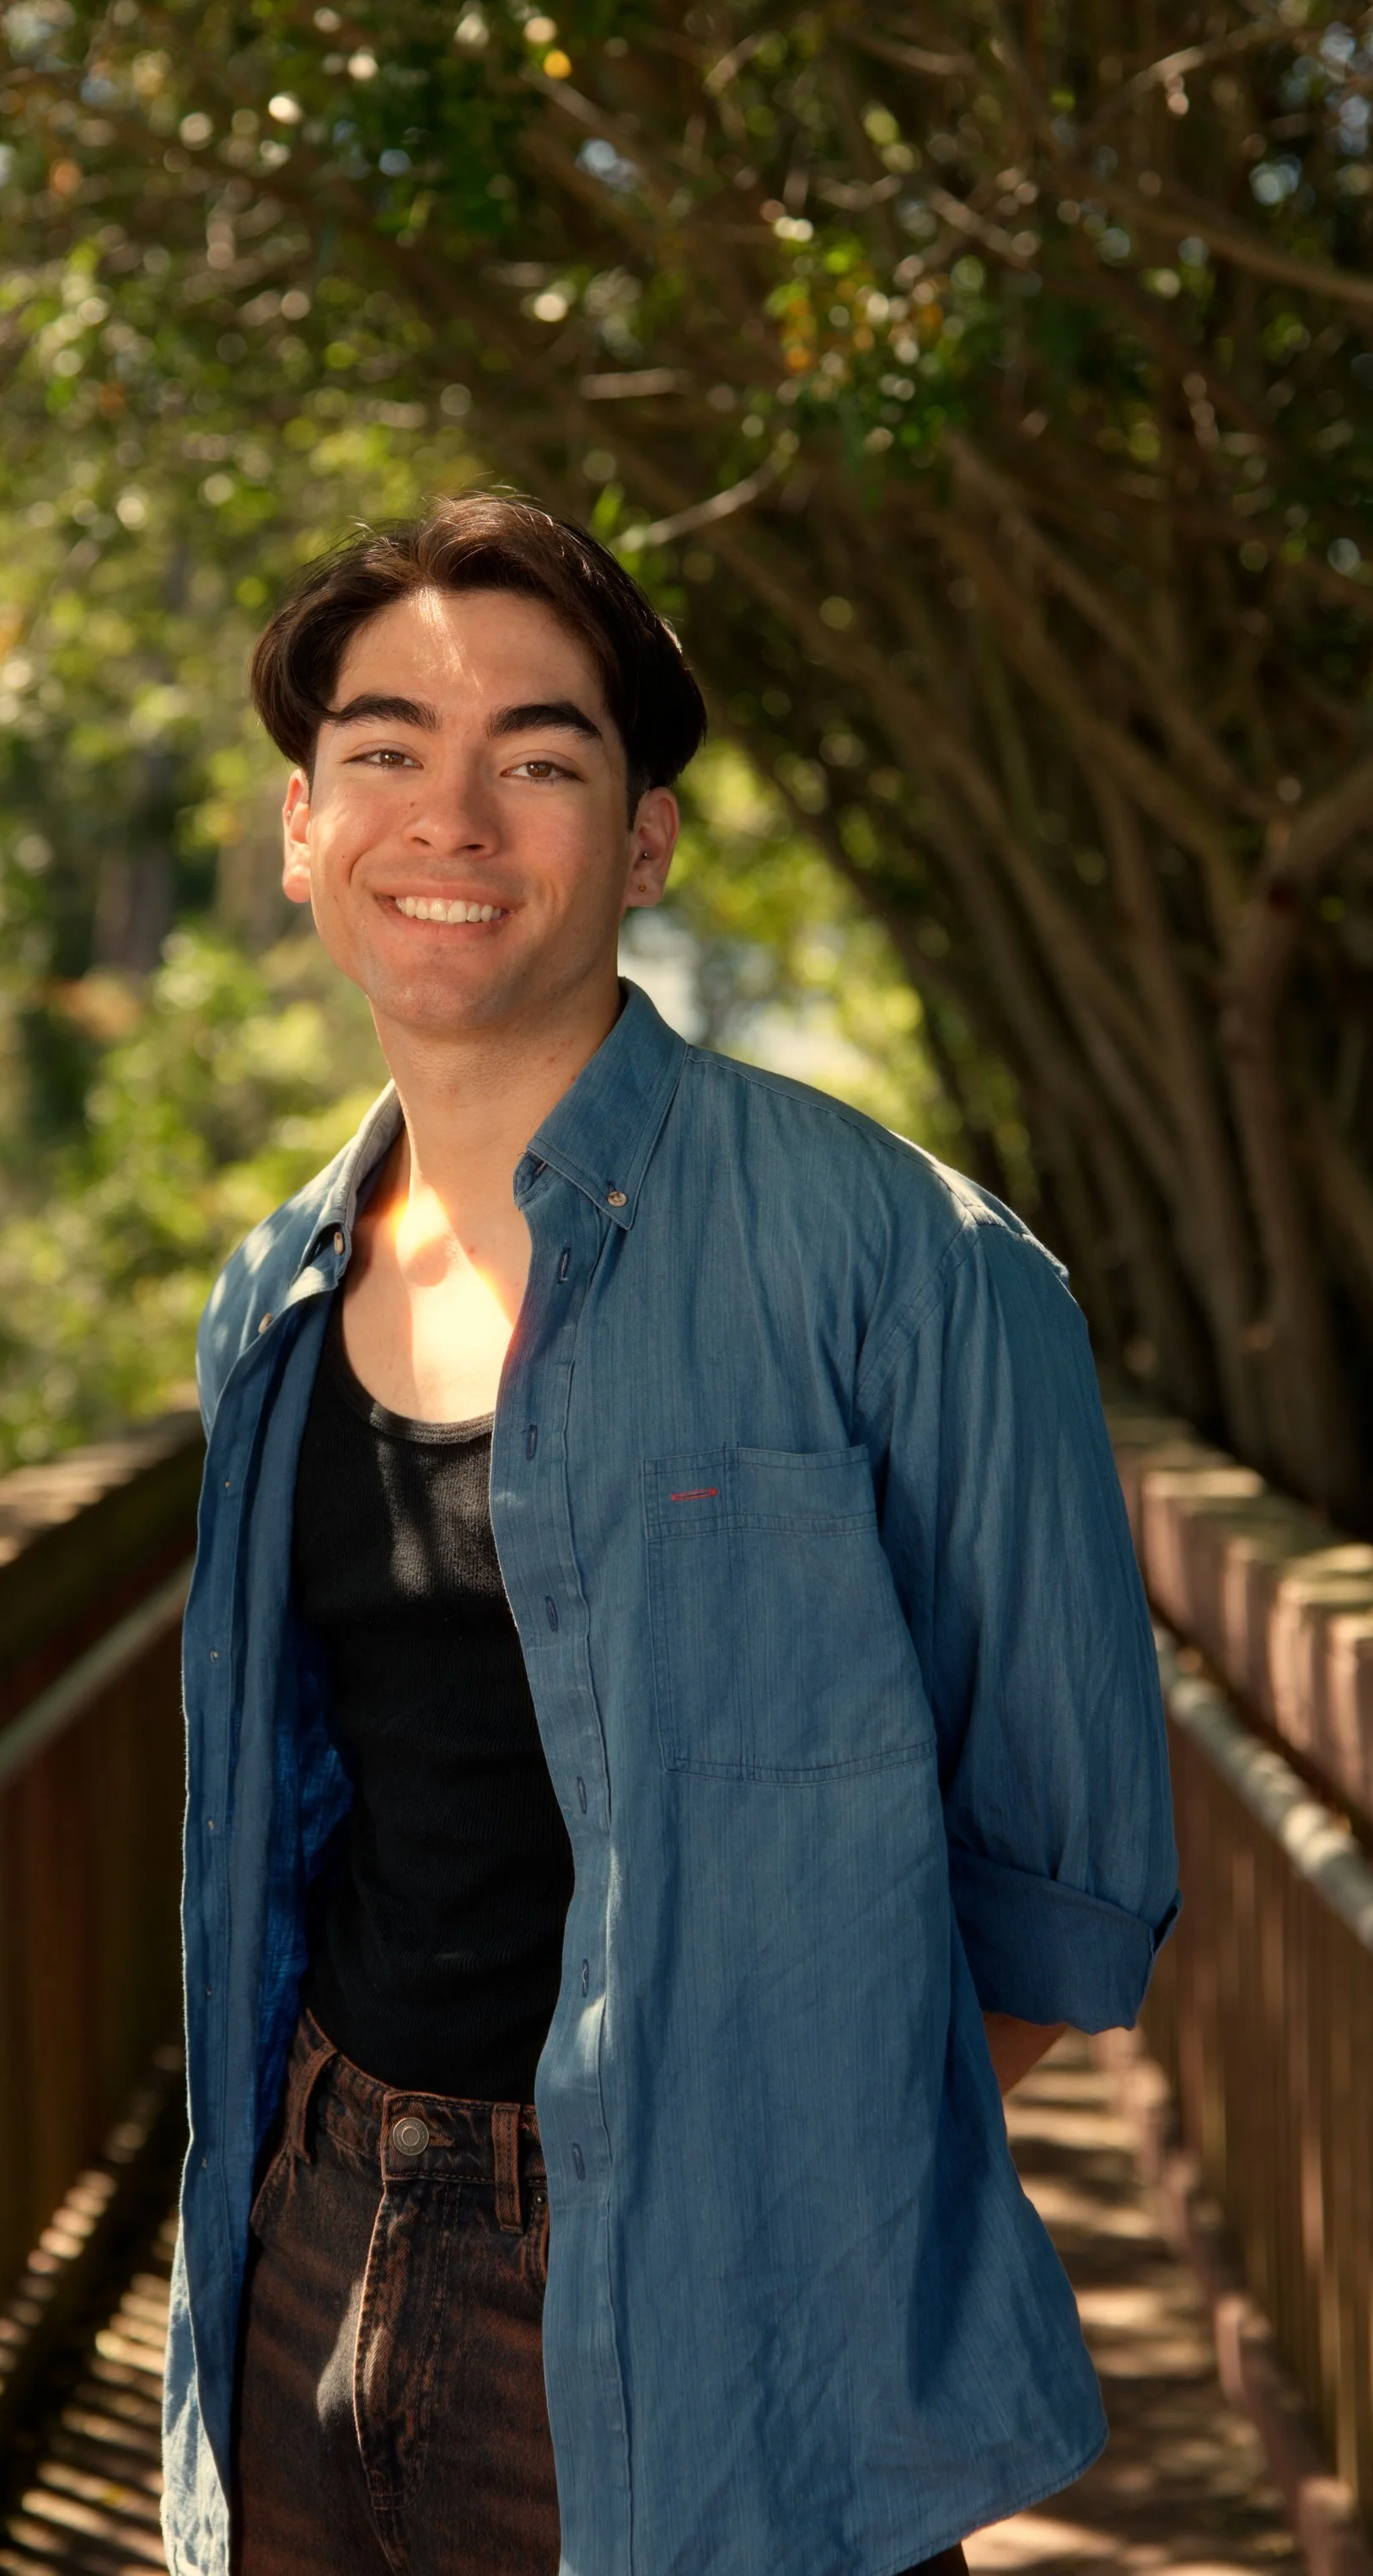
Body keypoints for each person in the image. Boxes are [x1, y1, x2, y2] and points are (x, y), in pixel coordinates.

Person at [160, 494, 1179, 2576]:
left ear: (640, 844)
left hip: (715, 2306)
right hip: (307, 2236)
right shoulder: (270, 1299)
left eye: (537, 759)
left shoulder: (911, 1265)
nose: (451, 815)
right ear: (301, 823)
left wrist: (762, 2169)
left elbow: (1065, 1889)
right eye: (384, 750)